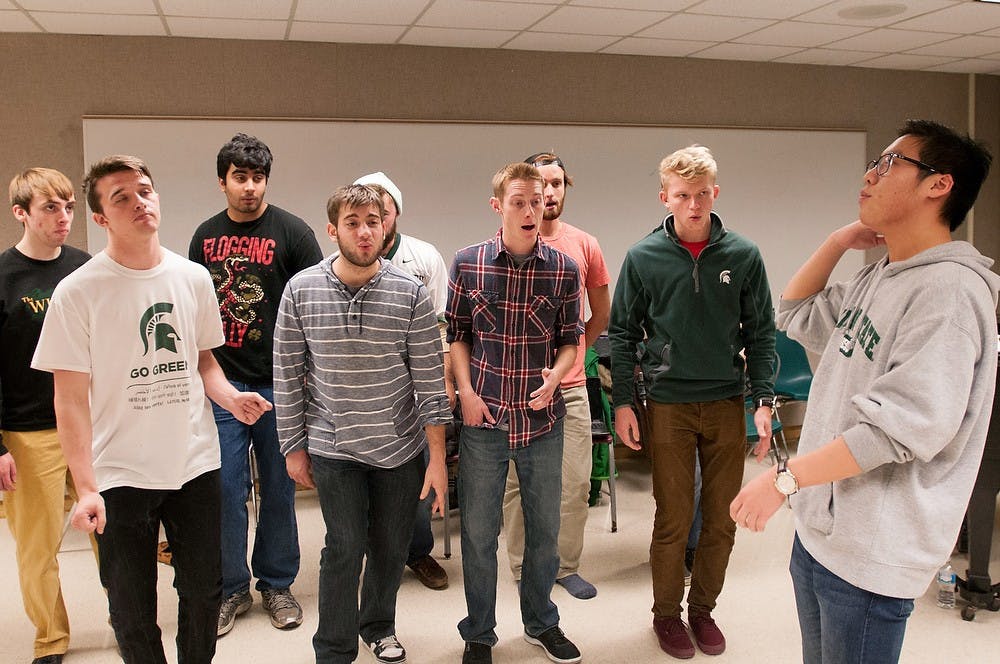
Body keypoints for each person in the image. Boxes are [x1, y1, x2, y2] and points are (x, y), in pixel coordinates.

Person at [731, 119, 998, 664]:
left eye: (889, 163)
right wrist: (837, 241)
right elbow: (796, 312)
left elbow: (896, 430)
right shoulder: (884, 273)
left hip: (874, 553)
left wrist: (782, 481)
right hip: (824, 531)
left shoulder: (949, 293)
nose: (870, 175)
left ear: (937, 185)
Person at [31, 155, 272, 664]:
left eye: (145, 190)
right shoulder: (77, 293)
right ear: (100, 218)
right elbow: (69, 400)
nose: (139, 202)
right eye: (121, 197)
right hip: (119, 473)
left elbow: (203, 363)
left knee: (204, 594)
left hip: (195, 463)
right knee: (131, 609)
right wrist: (86, 486)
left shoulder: (192, 278)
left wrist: (229, 396)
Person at [609, 145, 775, 660]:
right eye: (683, 195)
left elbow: (762, 333)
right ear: (666, 198)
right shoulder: (643, 257)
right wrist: (624, 403)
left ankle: (703, 610)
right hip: (669, 405)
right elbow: (621, 334)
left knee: (723, 519)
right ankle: (666, 616)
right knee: (673, 517)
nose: (694, 204)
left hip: (726, 401)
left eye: (702, 194)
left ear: (715, 194)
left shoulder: (743, 256)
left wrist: (764, 400)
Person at [274, 184, 451, 664]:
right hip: (334, 448)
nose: (364, 231)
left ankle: (378, 626)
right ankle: (334, 647)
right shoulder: (301, 290)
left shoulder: (409, 291)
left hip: (399, 448)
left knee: (391, 548)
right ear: (333, 230)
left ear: (386, 226)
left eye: (373, 220)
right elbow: (287, 373)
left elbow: (430, 382)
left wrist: (437, 459)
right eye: (352, 222)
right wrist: (292, 446)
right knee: (344, 548)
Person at [448, 162, 583, 664]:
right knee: (479, 536)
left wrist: (556, 375)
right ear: (498, 205)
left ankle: (541, 623)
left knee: (545, 532)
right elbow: (457, 334)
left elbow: (571, 341)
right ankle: (479, 633)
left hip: (542, 421)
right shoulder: (469, 262)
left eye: (539, 200)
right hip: (484, 420)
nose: (532, 209)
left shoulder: (563, 269)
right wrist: (465, 390)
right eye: (520, 201)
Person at [189, 133, 322, 636]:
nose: (249, 187)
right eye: (239, 177)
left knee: (280, 487)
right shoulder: (204, 237)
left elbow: (316, 308)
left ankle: (277, 583)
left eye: (258, 177)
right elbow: (197, 314)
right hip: (223, 383)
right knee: (224, 489)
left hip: (281, 384)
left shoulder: (293, 232)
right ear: (222, 181)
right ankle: (230, 589)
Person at [502, 152, 610, 600]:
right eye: (541, 183)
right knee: (517, 484)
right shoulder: (505, 243)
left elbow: (600, 311)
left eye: (558, 183)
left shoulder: (584, 245)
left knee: (575, 481)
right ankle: (521, 565)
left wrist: (572, 350)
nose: (549, 192)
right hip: (517, 390)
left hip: (571, 389)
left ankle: (564, 566)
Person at [1, 168, 91, 664]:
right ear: (22, 213)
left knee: (113, 537)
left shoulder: (85, 268)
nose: (63, 218)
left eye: (68, 207)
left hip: (88, 424)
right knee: (37, 549)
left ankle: (127, 621)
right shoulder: (3, 277)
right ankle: (51, 640)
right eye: (50, 209)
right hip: (26, 432)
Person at [353, 171, 453, 591]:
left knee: (415, 476)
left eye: (382, 211)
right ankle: (373, 554)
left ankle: (417, 551)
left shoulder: (423, 257)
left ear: (394, 213)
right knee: (363, 479)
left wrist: (443, 384)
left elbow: (441, 328)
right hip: (363, 388)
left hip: (414, 387)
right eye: (363, 215)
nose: (372, 223)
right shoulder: (349, 254)